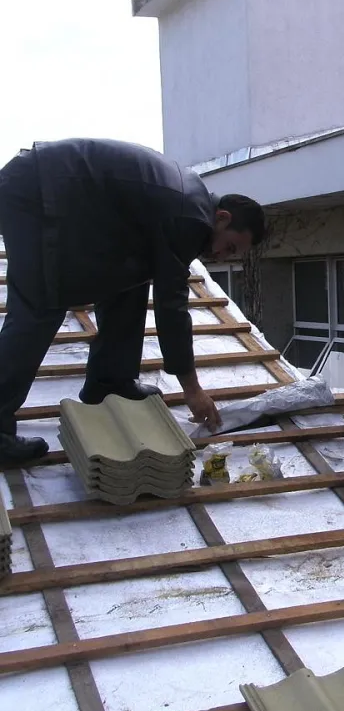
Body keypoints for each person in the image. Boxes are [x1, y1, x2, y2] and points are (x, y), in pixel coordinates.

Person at [0, 138, 266, 465]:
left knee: (130, 278)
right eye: (229, 247)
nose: (221, 255)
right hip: (37, 191)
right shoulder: (191, 218)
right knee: (40, 304)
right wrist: (192, 389)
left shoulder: (193, 200)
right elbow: (172, 308)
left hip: (54, 190)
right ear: (222, 218)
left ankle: (110, 382)